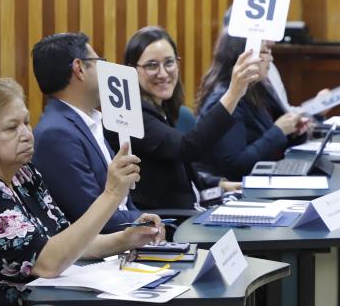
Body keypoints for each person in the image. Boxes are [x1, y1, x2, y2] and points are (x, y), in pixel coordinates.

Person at [0, 79, 163, 306]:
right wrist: (111, 194)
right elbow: (49, 262)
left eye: (27, 123)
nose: (26, 134)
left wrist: (125, 239)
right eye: (12, 128)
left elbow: (67, 242)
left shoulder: (23, 173)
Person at [107, 26, 261, 209]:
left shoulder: (161, 106)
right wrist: (233, 93)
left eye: (169, 63)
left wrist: (217, 184)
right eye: (151, 65)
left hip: (191, 210)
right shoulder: (131, 115)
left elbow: (176, 168)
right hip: (164, 225)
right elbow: (187, 148)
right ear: (132, 69)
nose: (163, 73)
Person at [31, 33, 143, 233]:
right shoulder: (57, 134)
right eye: (99, 61)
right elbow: (94, 217)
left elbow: (123, 201)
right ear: (79, 68)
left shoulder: (89, 121)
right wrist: (147, 221)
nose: (105, 69)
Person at [195, 33, 308, 181]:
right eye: (264, 51)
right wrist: (279, 131)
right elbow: (235, 167)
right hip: (228, 190)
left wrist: (294, 133)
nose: (270, 58)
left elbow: (267, 144)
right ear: (242, 56)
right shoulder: (225, 100)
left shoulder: (256, 89)